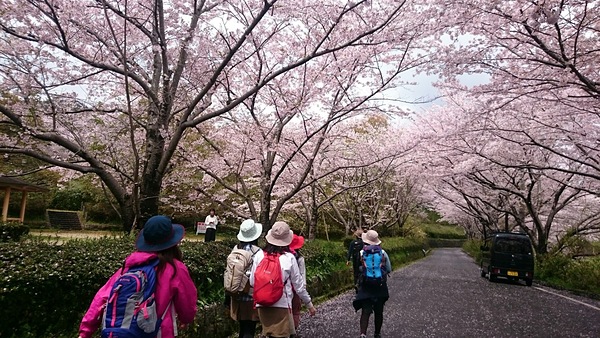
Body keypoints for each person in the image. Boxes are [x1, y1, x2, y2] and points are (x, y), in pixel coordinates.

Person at [78, 215, 198, 338]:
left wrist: (85, 332)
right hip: (159, 332)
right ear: (173, 242)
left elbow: (101, 298)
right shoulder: (175, 269)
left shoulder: (129, 267)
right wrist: (186, 319)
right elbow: (187, 301)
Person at [250, 221, 317, 338]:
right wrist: (309, 304)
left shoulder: (259, 255)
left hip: (261, 304)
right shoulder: (289, 258)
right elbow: (299, 286)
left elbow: (252, 281)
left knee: (267, 334)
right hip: (281, 304)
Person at [352, 230, 391, 338]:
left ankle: (363, 334)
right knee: (379, 311)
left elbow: (356, 270)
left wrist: (357, 283)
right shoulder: (383, 253)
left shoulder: (361, 253)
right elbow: (388, 269)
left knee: (366, 311)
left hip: (366, 285)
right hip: (380, 286)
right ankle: (377, 334)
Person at [229, 219, 263, 338]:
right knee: (250, 328)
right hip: (251, 294)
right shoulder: (258, 252)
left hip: (236, 292)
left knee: (242, 327)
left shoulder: (236, 248)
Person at [289, 234, 306, 337]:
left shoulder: (283, 256)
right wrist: (303, 290)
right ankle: (293, 331)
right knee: (295, 311)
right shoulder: (300, 258)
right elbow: (302, 275)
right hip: (296, 289)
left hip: (284, 290)